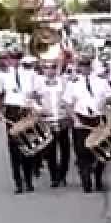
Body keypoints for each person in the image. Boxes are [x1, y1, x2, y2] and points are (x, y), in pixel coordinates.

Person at [64, 56, 111, 193]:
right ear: (78, 67)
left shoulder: (101, 81)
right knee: (82, 152)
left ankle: (98, 178)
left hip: (98, 119)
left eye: (87, 65)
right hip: (81, 120)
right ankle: (86, 181)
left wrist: (105, 101)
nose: (84, 68)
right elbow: (68, 104)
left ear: (90, 66)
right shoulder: (72, 83)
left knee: (101, 151)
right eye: (82, 65)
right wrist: (75, 119)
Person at [0, 51, 37, 194]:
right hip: (11, 111)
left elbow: (37, 92)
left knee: (28, 146)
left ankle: (28, 180)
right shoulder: (3, 75)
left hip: (26, 111)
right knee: (14, 148)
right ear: (7, 60)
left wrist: (35, 104)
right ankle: (18, 181)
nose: (14, 61)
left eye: (17, 58)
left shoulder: (30, 74)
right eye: (11, 58)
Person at [35, 59, 71, 188]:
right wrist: (40, 110)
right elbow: (33, 99)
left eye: (52, 67)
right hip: (47, 120)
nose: (49, 70)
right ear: (43, 69)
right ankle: (54, 176)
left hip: (62, 119)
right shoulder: (38, 83)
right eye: (46, 67)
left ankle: (63, 174)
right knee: (50, 150)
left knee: (65, 150)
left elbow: (69, 98)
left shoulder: (63, 81)